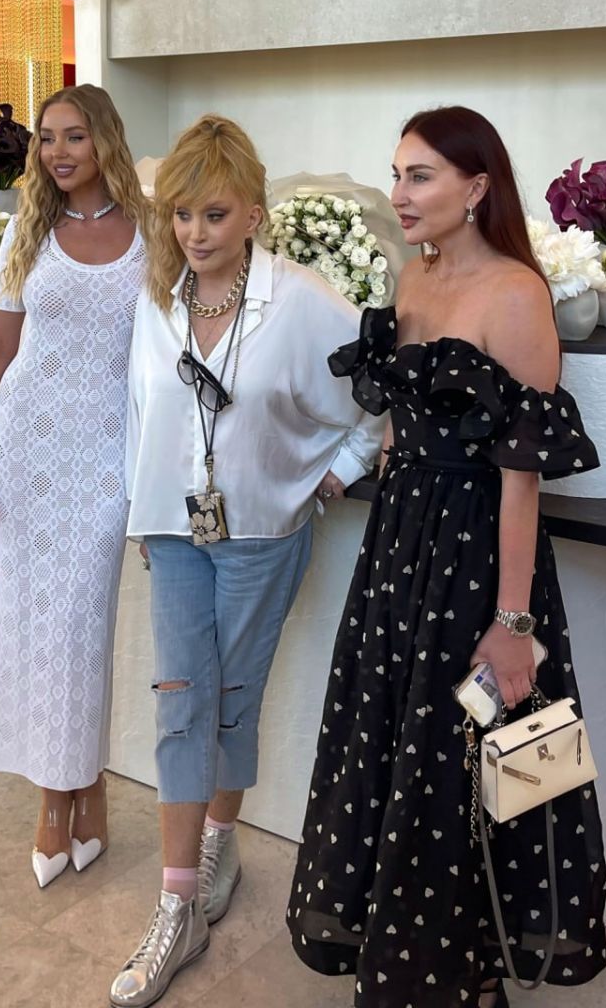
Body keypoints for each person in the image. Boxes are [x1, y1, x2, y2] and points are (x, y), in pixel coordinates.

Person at [287, 106, 606, 1008]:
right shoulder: (413, 278)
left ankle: (470, 971)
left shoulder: (516, 293)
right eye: (395, 173)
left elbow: (520, 476)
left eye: (418, 175)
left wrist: (512, 622)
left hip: (479, 555)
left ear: (475, 187)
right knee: (397, 746)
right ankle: (408, 956)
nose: (398, 193)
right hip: (400, 546)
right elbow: (402, 421)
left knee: (477, 755)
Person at [108, 115, 384, 1007]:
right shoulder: (158, 297)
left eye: (214, 214)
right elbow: (139, 411)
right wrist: (142, 509)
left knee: (231, 696)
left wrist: (340, 468)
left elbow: (373, 392)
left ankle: (219, 841)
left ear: (254, 216)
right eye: (181, 213)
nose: (195, 233)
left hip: (263, 529)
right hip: (173, 529)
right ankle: (177, 906)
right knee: (180, 701)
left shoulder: (300, 301)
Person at [0, 84, 146, 887]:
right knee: (34, 625)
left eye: (74, 136)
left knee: (83, 626)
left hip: (106, 458)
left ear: (105, 141)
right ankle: (53, 801)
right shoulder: (28, 231)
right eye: (47, 138)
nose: (57, 152)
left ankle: (85, 785)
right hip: (27, 452)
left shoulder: (150, 234)